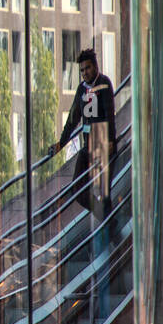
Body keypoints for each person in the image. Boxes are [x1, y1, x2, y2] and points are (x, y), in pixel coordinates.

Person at [47, 47, 116, 216]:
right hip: (88, 145)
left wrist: (111, 141)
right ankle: (105, 217)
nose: (84, 73)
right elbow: (72, 119)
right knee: (78, 188)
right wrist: (61, 144)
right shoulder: (81, 89)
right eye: (82, 70)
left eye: (88, 68)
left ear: (95, 67)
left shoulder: (104, 83)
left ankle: (109, 223)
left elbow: (110, 114)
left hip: (103, 144)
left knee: (104, 191)